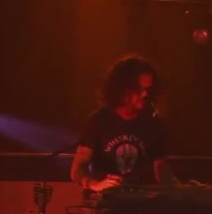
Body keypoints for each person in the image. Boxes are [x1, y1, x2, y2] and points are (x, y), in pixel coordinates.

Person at [71, 54, 176, 192]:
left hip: (142, 200)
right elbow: (78, 169)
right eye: (138, 89)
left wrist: (182, 190)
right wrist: (95, 184)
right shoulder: (100, 120)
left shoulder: (152, 122)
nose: (145, 94)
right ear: (121, 89)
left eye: (148, 90)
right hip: (106, 200)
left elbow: (161, 169)